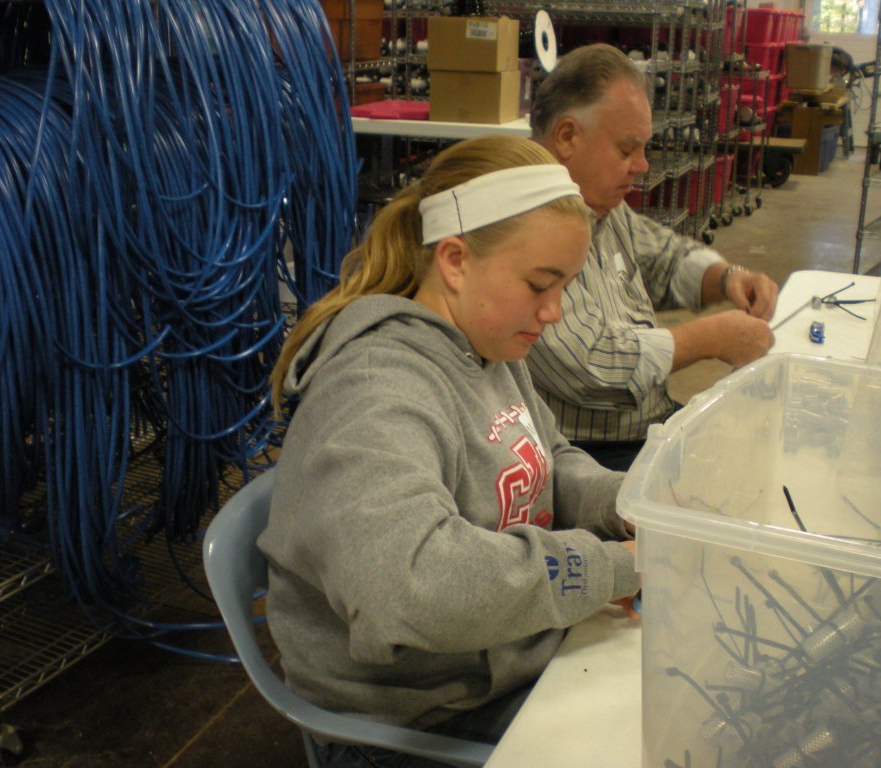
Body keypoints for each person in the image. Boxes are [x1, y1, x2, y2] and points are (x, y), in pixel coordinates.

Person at [259, 135, 640, 767]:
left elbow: (548, 456)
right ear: (456, 260)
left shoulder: (488, 339)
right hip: (418, 718)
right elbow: (411, 587)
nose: (555, 311)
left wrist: (629, 503)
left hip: (504, 657)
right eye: (540, 284)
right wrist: (611, 565)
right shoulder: (375, 389)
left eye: (565, 284)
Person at [528, 43, 779, 472]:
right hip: (588, 454)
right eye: (626, 150)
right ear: (567, 136)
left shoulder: (600, 207)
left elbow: (663, 256)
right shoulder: (526, 226)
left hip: (644, 426)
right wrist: (711, 338)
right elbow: (591, 369)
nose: (642, 165)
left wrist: (726, 276)